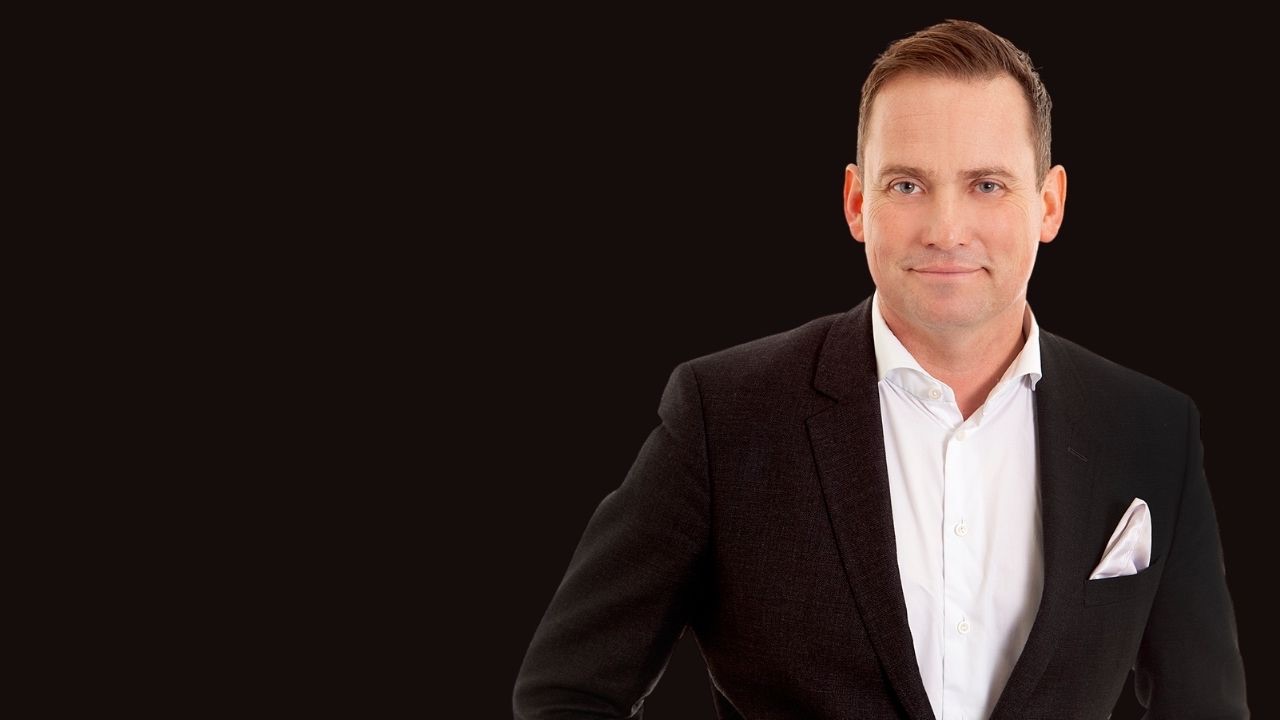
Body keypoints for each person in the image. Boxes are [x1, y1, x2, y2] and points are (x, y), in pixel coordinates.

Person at [513, 19, 1247, 719]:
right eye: (907, 185)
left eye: (987, 185)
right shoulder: (724, 415)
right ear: (857, 202)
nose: (946, 230)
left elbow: (1207, 707)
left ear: (1049, 204)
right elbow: (566, 693)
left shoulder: (1153, 431)